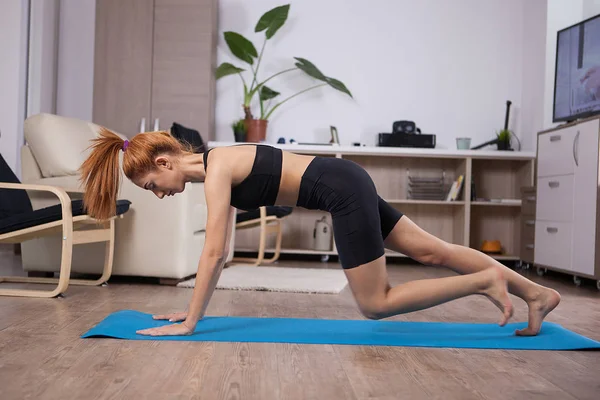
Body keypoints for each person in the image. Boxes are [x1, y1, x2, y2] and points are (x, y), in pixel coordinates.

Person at [79, 128, 561, 337]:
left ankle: (484, 282)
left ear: (162, 162)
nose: (159, 193)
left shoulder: (218, 166)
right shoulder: (216, 164)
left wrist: (191, 322)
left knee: (375, 304)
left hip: (342, 192)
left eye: (151, 185)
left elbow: (214, 253)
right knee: (434, 251)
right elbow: (220, 253)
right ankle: (535, 294)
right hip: (346, 179)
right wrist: (190, 309)